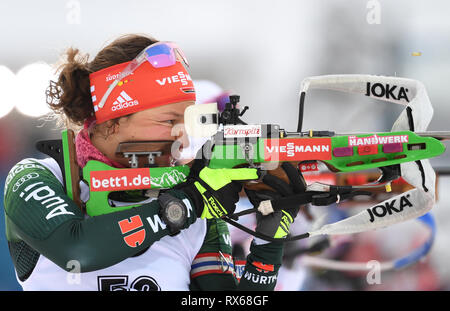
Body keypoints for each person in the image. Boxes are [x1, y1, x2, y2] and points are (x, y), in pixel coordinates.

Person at [3, 34, 302, 291]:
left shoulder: (193, 200)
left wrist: (269, 242)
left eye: (186, 121)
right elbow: (77, 250)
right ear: (112, 122)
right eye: (169, 120)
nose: (182, 137)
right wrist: (186, 204)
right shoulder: (38, 176)